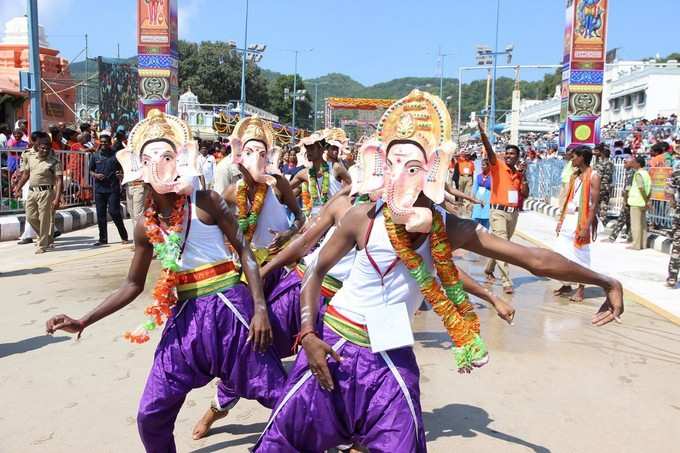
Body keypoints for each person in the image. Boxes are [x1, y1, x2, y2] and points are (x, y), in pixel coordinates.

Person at [254, 90, 623, 452]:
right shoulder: (361, 217)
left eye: (411, 167)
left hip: (390, 355)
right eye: (393, 165)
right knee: (285, 441)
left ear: (431, 171)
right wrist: (307, 334)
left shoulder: (450, 228)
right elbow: (315, 273)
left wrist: (605, 280)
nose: (400, 176)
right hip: (334, 344)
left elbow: (532, 259)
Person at [45, 110, 286, 453]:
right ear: (138, 168)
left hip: (230, 310)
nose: (159, 164)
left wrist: (260, 308)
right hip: (185, 317)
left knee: (281, 394)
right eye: (150, 158)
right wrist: (84, 319)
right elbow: (132, 285)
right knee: (151, 415)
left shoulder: (206, 202)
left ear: (181, 161)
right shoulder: (145, 226)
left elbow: (246, 251)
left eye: (167, 156)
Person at [480, 121, 529, 294]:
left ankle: (489, 268)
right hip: (498, 212)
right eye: (506, 153)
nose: (508, 156)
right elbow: (490, 150)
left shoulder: (517, 173)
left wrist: (522, 174)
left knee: (502, 244)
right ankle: (506, 280)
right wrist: (483, 133)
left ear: (517, 157)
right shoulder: (497, 166)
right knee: (504, 244)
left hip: (513, 214)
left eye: (512, 154)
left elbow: (525, 193)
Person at [554, 146, 601, 302]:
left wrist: (586, 226)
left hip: (582, 218)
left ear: (582, 157)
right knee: (563, 253)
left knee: (581, 255)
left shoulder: (594, 176)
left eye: (574, 157)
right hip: (569, 216)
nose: (572, 159)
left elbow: (593, 205)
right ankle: (566, 284)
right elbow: (568, 199)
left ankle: (581, 288)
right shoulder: (575, 175)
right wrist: (561, 221)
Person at [12, 132, 63, 254]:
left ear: (50, 149)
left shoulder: (54, 162)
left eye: (47, 148)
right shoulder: (31, 158)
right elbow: (25, 175)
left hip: (46, 192)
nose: (44, 150)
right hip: (31, 192)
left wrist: (57, 198)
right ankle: (46, 236)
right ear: (37, 147)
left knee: (44, 218)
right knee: (30, 217)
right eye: (42, 148)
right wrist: (18, 188)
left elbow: (59, 181)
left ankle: (42, 244)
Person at [290, 130, 348, 217]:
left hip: (336, 218)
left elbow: (353, 186)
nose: (308, 151)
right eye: (307, 147)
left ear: (322, 149)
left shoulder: (335, 167)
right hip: (314, 220)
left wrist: (338, 196)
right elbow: (286, 191)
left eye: (312, 148)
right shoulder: (303, 173)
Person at [89, 132, 130, 246]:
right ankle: (103, 239)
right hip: (99, 189)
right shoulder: (95, 156)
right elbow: (91, 170)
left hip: (113, 188)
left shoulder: (116, 155)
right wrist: (96, 175)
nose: (103, 144)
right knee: (100, 214)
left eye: (105, 142)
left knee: (114, 212)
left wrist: (120, 173)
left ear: (110, 143)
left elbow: (123, 168)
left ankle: (124, 236)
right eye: (101, 142)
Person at [607, 155, 634, 243]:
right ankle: (630, 236)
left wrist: (625, 199)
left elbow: (628, 188)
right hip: (629, 198)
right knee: (628, 218)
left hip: (630, 198)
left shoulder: (632, 172)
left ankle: (613, 237)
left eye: (626, 162)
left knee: (622, 218)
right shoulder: (629, 171)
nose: (624, 164)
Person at [627, 156, 651, 250]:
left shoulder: (638, 174)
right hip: (643, 202)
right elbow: (649, 187)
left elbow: (641, 188)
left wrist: (645, 199)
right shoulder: (646, 173)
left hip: (637, 201)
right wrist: (647, 200)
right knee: (643, 225)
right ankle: (643, 244)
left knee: (636, 224)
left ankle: (636, 245)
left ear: (638, 164)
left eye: (634, 162)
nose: (632, 163)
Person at [666, 165, 680, 288]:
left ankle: (672, 278)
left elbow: (669, 191)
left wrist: (674, 205)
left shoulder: (676, 171)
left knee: (677, 247)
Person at [593, 143, 613, 221]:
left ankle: (596, 220)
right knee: (604, 204)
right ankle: (602, 220)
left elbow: (597, 176)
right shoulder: (610, 163)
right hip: (607, 187)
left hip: (600, 186)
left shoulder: (600, 164)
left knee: (596, 204)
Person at [471, 158, 492, 229]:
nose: (482, 167)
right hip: (478, 199)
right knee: (475, 217)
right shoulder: (478, 176)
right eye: (481, 165)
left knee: (485, 219)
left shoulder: (492, 177)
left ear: (489, 166)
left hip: (488, 199)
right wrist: (472, 199)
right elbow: (474, 188)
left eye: (484, 165)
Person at [456, 151, 476, 217]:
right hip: (461, 177)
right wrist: (462, 153)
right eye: (466, 155)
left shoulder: (471, 163)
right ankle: (460, 207)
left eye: (468, 155)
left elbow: (473, 172)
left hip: (469, 178)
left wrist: (472, 180)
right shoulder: (461, 161)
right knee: (460, 193)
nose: (467, 156)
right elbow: (455, 155)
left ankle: (467, 208)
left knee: (467, 193)